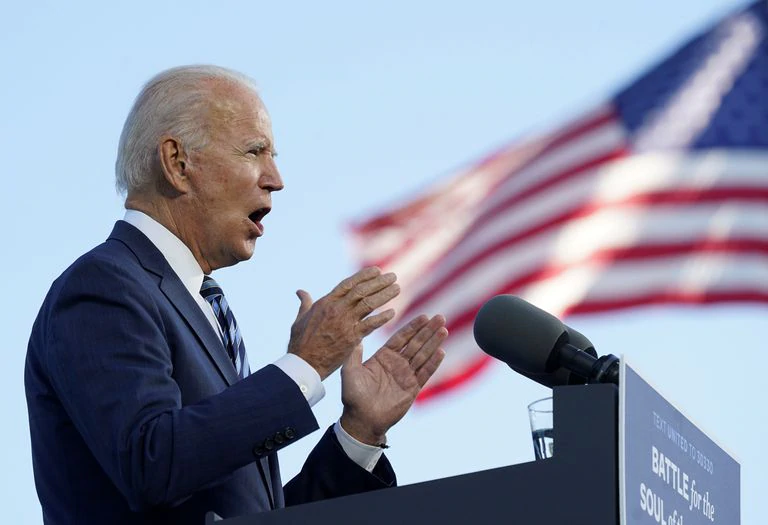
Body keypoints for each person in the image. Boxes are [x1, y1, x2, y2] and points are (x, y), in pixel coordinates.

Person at [24, 65, 448, 525]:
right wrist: (305, 367)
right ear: (177, 163)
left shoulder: (199, 305)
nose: (276, 179)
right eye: (255, 151)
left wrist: (359, 433)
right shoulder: (105, 285)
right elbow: (151, 464)